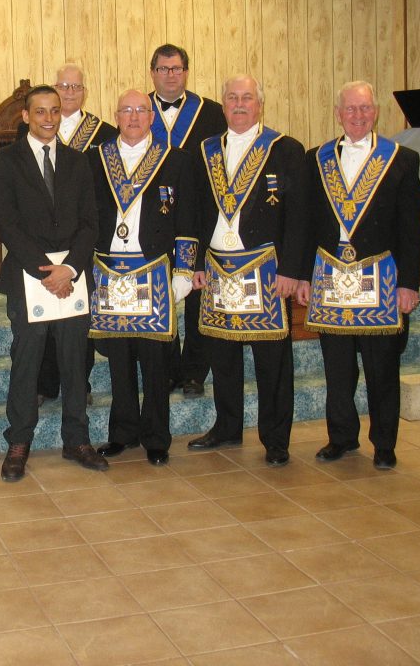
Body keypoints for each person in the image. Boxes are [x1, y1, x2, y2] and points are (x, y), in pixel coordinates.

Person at [296, 81, 420, 470]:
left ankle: (384, 443)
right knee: (337, 367)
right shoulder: (316, 158)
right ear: (338, 113)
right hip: (330, 278)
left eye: (364, 108)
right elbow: (306, 225)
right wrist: (302, 277)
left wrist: (408, 284)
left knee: (382, 367)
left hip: (381, 280)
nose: (357, 115)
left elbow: (409, 228)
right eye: (350, 109)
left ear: (376, 112)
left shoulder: (402, 158)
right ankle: (341, 437)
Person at [189, 75, 308, 467]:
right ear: (223, 105)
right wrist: (196, 262)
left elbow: (298, 218)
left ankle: (275, 439)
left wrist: (292, 270)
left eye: (247, 98)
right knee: (222, 354)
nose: (239, 104)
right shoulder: (205, 149)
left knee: (271, 360)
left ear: (260, 104)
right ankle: (227, 427)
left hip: (266, 271)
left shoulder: (285, 149)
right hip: (219, 269)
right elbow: (198, 211)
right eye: (232, 98)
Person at [0, 84, 105, 481]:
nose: (48, 119)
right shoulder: (6, 162)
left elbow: (91, 222)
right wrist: (47, 270)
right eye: (40, 112)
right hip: (29, 276)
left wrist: (70, 269)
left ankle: (77, 439)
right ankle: (19, 441)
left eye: (55, 111)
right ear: (26, 116)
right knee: (27, 362)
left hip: (72, 278)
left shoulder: (78, 161)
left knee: (76, 363)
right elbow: (7, 224)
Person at [90, 90, 197, 466]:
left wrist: (183, 271)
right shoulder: (95, 159)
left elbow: (188, 221)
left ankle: (156, 437)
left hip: (154, 274)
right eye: (126, 110)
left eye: (141, 110)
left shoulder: (176, 161)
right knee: (119, 362)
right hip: (109, 272)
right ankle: (122, 433)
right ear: (115, 115)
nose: (134, 116)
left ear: (151, 116)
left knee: (155, 363)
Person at [24, 64, 118, 406]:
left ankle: (82, 384)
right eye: (63, 85)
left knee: (79, 321)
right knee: (43, 323)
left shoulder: (105, 133)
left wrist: (77, 258)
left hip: (82, 242)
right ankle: (46, 382)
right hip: (38, 255)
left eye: (75, 86)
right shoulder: (28, 143)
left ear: (84, 91)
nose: (69, 91)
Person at [148, 44, 227, 398]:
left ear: (186, 72)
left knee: (197, 290)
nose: (170, 75)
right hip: (152, 219)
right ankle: (165, 368)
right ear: (153, 73)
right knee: (160, 291)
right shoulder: (138, 111)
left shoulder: (211, 113)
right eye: (164, 69)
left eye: (177, 68)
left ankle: (195, 371)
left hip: (199, 215)